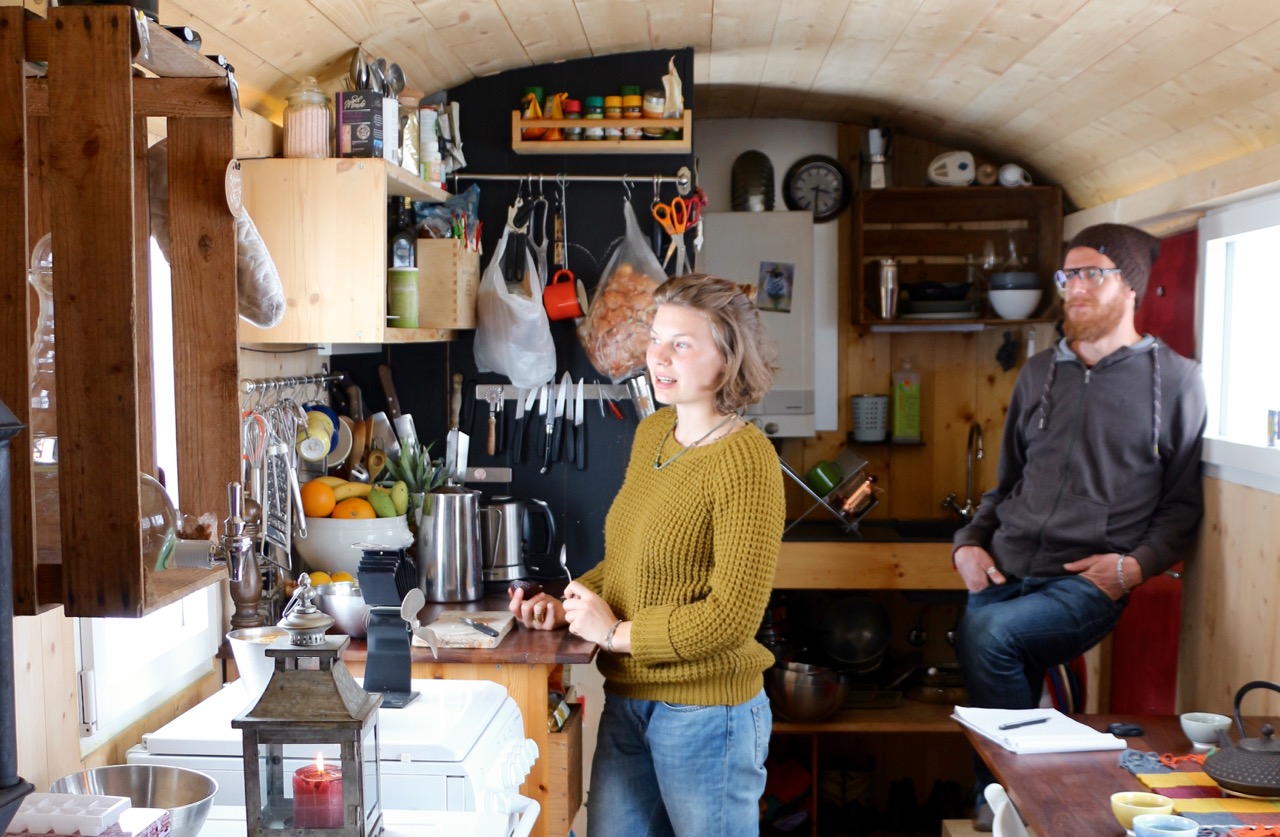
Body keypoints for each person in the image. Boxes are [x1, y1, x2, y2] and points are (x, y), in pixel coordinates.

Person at [508, 273, 786, 837]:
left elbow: (731, 619)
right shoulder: (655, 431)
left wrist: (613, 634)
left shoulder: (747, 460)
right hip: (631, 701)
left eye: (681, 344)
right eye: (655, 338)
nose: (658, 357)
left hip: (710, 716)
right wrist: (569, 604)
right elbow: (630, 561)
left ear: (728, 358)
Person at [952, 223, 1207, 830]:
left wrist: (1133, 568)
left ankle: (1010, 801)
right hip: (1008, 563)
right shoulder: (1039, 373)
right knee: (978, 627)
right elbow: (1006, 483)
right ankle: (1015, 800)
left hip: (1088, 581)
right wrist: (968, 544)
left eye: (1093, 273)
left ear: (1131, 288)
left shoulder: (1175, 381)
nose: (1075, 288)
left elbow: (1181, 507)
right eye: (1069, 275)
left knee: (989, 637)